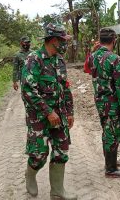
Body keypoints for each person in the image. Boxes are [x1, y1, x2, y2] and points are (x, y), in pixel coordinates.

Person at [21, 23, 76, 200]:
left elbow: (65, 88)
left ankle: (57, 191)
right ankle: (30, 175)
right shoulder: (34, 59)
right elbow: (28, 90)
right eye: (63, 40)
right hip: (39, 117)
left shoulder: (59, 60)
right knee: (39, 155)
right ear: (53, 40)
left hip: (59, 116)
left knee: (61, 152)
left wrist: (69, 111)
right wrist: (48, 112)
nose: (65, 44)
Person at [88, 28, 120, 178]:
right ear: (114, 40)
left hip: (100, 102)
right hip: (112, 104)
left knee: (107, 131)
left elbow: (86, 69)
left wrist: (93, 50)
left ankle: (110, 162)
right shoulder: (114, 58)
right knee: (113, 133)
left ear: (100, 40)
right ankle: (111, 169)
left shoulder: (93, 56)